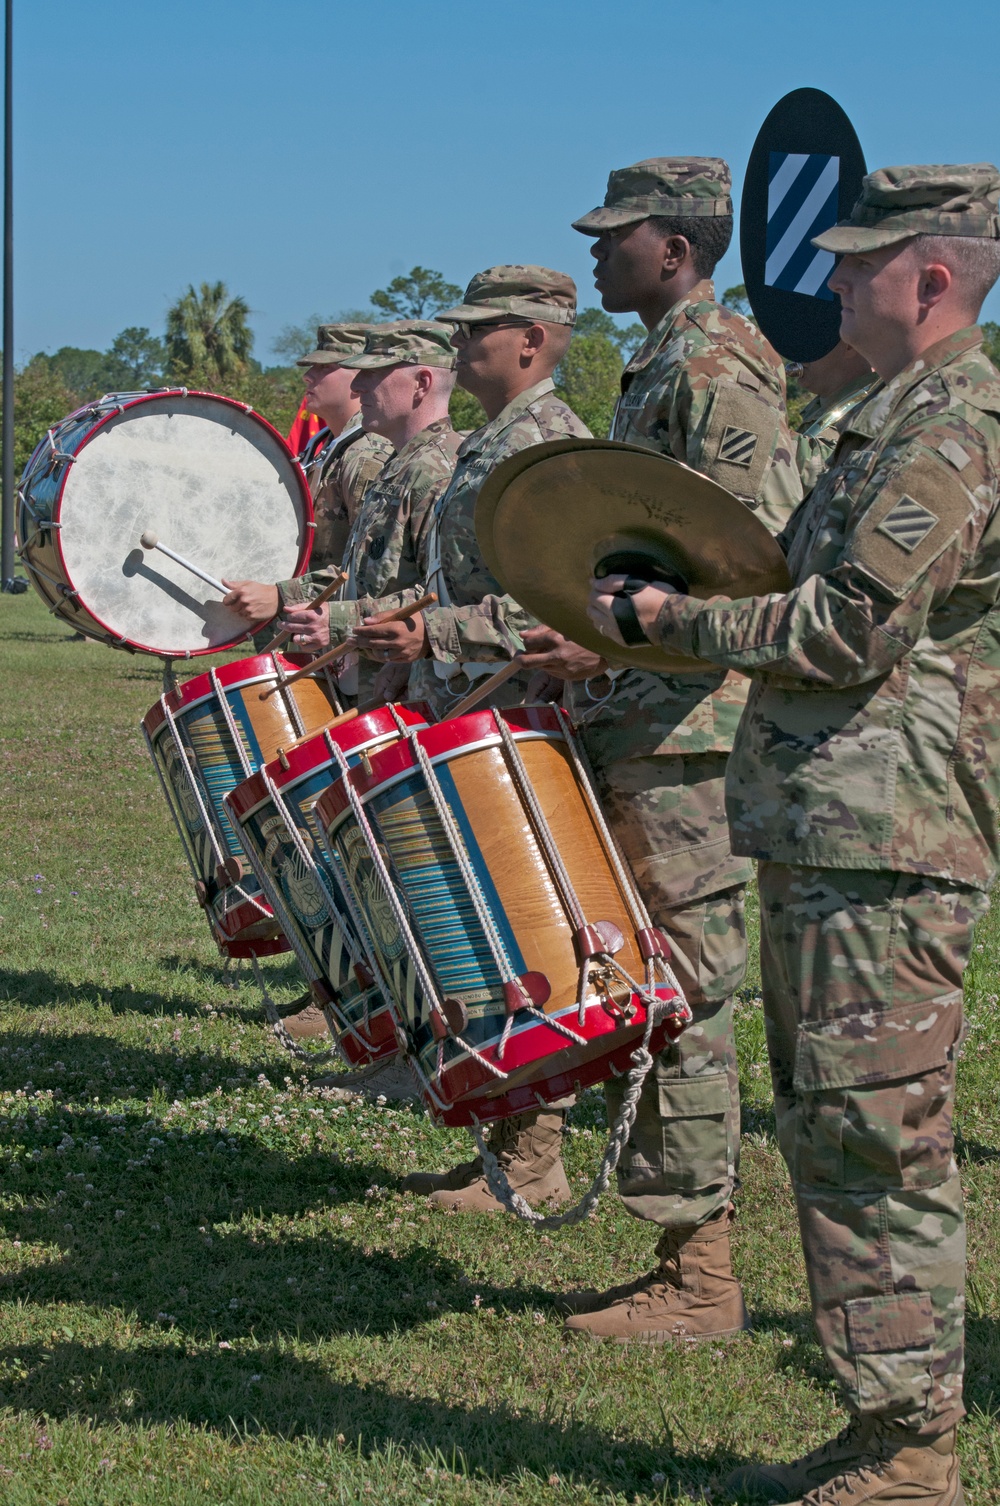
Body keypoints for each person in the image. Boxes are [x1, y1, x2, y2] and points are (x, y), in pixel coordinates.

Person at [587, 163, 1000, 1506]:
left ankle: (912, 1454)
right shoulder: (884, 418)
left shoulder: (950, 427)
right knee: (835, 1135)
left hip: (885, 841)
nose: (824, 283)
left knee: (878, 1142)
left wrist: (672, 621)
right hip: (835, 834)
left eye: (854, 262)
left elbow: (841, 628)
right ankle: (883, 1426)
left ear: (931, 278)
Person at [518, 158, 803, 1343]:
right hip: (645, 715)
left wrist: (617, 645)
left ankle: (701, 1278)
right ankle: (684, 1256)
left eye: (615, 236)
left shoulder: (713, 364)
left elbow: (751, 555)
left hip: (687, 727)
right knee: (652, 983)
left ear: (675, 248)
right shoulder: (658, 361)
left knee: (683, 993)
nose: (594, 254)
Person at [322, 265, 591, 1211]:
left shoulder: (551, 442)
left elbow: (568, 603)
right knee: (485, 931)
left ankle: (533, 1158)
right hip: (471, 707)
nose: (461, 345)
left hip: (516, 713)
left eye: (479, 329)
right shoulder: (499, 441)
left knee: (525, 931)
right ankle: (503, 1141)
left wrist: (436, 633)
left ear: (532, 339)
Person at [277, 320, 462, 708]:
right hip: (384, 679)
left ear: (421, 384)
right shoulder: (401, 463)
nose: (358, 387)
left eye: (374, 374)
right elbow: (364, 577)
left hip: (420, 695)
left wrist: (340, 621)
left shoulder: (438, 470)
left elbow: (445, 595)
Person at [222, 323, 392, 630]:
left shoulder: (368, 455)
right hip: (309, 626)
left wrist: (280, 596)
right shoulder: (321, 447)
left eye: (323, 366)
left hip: (344, 639)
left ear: (359, 374)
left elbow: (366, 569)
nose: (307, 376)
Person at [793, 339, 877, 491]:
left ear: (849, 345)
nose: (796, 352)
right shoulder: (820, 407)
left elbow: (825, 475)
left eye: (809, 339)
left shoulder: (873, 407)